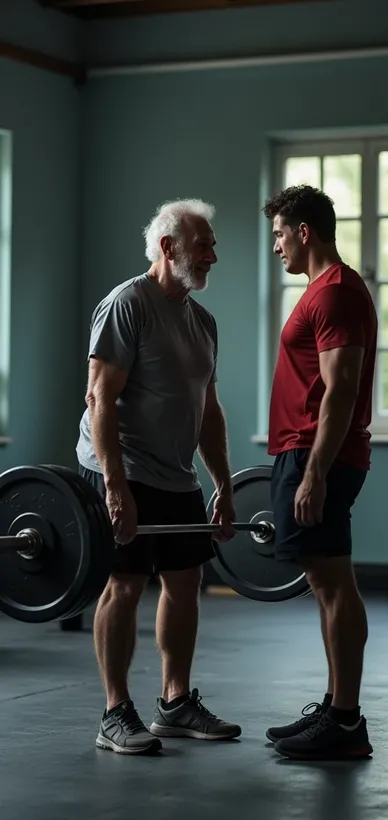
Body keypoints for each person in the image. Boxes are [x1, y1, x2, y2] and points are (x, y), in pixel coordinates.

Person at [76, 198, 242, 755]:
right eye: (205, 245)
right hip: (123, 465)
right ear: (169, 247)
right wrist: (115, 485)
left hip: (176, 474)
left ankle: (174, 703)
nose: (213, 255)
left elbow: (207, 411)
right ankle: (114, 712)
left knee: (185, 583)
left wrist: (221, 482)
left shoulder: (202, 322)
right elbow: (100, 397)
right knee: (124, 584)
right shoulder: (129, 305)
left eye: (213, 245)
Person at [262, 184, 378, 761]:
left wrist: (314, 474)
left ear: (304, 231)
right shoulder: (324, 291)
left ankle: (345, 721)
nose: (277, 246)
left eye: (280, 234)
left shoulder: (333, 293)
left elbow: (341, 391)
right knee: (323, 583)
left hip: (316, 454)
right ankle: (336, 707)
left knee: (333, 586)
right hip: (304, 451)